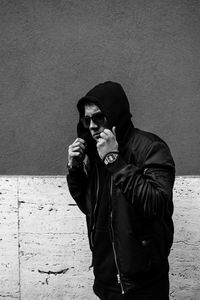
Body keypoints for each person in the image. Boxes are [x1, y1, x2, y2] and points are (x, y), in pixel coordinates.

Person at [67, 81, 175, 300]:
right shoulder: (96, 155)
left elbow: (157, 204)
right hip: (106, 279)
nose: (92, 126)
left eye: (98, 117)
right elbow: (90, 208)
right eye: (86, 120)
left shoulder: (150, 148)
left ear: (115, 113)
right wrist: (76, 169)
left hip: (143, 284)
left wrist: (114, 160)